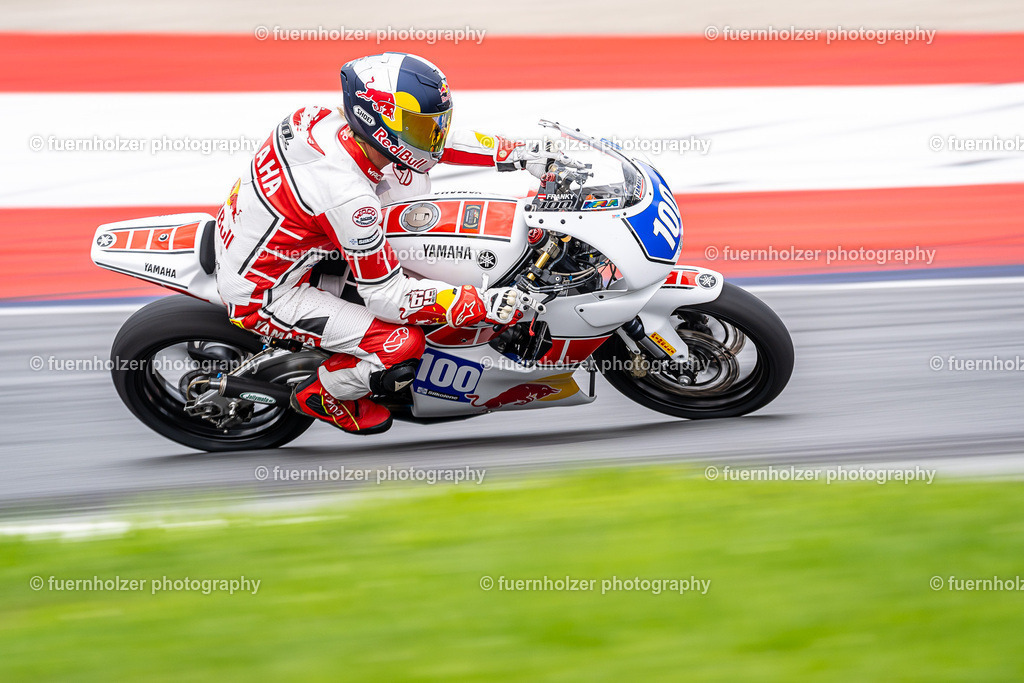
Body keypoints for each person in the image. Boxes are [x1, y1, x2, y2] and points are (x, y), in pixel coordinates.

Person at [213, 52, 562, 435]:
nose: (431, 136)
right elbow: (388, 297)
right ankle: (325, 395)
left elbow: (429, 146)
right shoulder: (351, 199)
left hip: (279, 238)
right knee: (401, 344)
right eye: (417, 127)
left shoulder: (321, 118)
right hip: (268, 291)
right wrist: (477, 303)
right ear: (374, 120)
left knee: (408, 178)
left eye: (432, 125)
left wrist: (518, 153)